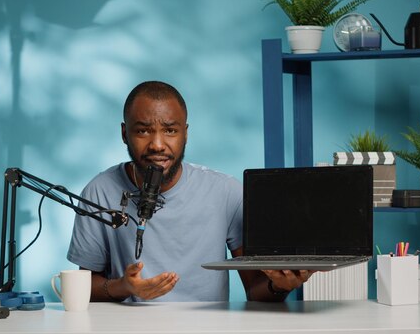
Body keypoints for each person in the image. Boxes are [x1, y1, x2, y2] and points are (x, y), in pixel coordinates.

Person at [67, 81, 314, 302]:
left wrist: (279, 286)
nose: (157, 144)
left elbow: (256, 290)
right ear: (124, 134)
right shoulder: (98, 191)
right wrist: (124, 286)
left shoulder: (225, 192)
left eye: (170, 131)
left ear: (185, 133)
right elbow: (84, 287)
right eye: (143, 130)